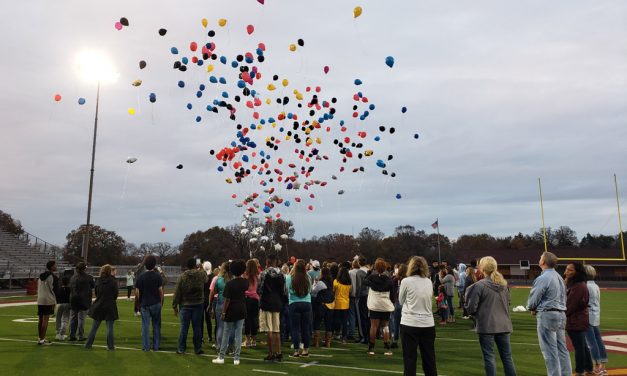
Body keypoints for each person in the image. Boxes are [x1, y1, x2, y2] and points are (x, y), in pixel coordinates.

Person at [465, 256, 517, 376]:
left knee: (489, 357)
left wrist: (476, 314)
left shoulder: (479, 286)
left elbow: (471, 307)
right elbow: (508, 302)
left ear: (482, 268)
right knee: (507, 357)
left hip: (487, 325)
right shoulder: (504, 285)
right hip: (503, 325)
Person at [526, 251, 572, 376]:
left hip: (548, 315)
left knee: (549, 351)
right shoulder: (559, 278)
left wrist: (531, 307)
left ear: (543, 262)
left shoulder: (543, 278)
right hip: (561, 314)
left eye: (540, 258)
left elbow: (534, 298)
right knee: (562, 349)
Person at [399, 256, 437, 376]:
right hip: (428, 324)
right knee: (429, 358)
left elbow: (400, 301)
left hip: (410, 323)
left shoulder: (406, 281)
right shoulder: (428, 281)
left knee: (410, 359)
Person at [213, 259, 248, 366]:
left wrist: (223, 312)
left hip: (231, 310)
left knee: (226, 333)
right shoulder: (245, 282)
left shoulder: (230, 284)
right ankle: (236, 358)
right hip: (241, 308)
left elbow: (227, 300)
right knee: (238, 335)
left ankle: (221, 356)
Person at [172, 258, 207, 355]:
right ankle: (198, 348)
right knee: (197, 328)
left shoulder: (182, 276)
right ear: (196, 265)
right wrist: (202, 268)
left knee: (184, 328)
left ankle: (181, 349)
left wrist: (174, 305)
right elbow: (206, 278)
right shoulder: (201, 274)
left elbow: (177, 292)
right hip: (198, 303)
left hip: (185, 304)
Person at [564, 263, 594, 376]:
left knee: (579, 347)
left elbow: (571, 305)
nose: (566, 272)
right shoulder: (578, 284)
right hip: (578, 319)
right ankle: (588, 368)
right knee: (582, 346)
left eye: (570, 270)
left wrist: (562, 314)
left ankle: (580, 371)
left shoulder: (579, 286)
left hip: (575, 320)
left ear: (577, 272)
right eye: (566, 269)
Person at [257, 253, 287, 362]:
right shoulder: (282, 274)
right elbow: (284, 291)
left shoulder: (263, 273)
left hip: (266, 302)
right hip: (277, 302)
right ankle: (279, 352)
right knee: (276, 329)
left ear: (268, 262)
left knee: (269, 329)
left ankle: (271, 353)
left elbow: (259, 289)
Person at [364, 258, 396, 356]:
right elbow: (393, 295)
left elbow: (364, 281)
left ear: (376, 268)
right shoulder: (389, 280)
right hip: (385, 304)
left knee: (373, 326)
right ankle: (387, 348)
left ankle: (371, 348)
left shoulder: (372, 278)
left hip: (374, 305)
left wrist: (369, 271)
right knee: (385, 326)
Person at [85, 265, 119, 350]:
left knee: (94, 327)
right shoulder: (113, 281)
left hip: (99, 305)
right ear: (110, 271)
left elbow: (96, 293)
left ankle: (88, 344)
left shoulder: (98, 281)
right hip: (110, 306)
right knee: (110, 327)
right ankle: (110, 346)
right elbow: (115, 294)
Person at [134, 255, 164, 351]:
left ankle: (146, 347)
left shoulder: (141, 277)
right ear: (154, 265)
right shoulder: (158, 276)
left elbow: (137, 293)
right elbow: (161, 292)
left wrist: (139, 303)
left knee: (145, 326)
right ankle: (156, 346)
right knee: (156, 325)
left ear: (145, 265)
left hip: (145, 304)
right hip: (156, 303)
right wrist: (161, 302)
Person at [583, 265, 608, 375]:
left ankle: (596, 366)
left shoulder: (586, 286)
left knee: (591, 342)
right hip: (595, 315)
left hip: (588, 316)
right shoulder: (595, 285)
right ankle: (602, 365)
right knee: (598, 340)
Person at [285, 259, 312, 358]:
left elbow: (287, 290)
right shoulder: (308, 277)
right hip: (307, 303)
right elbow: (310, 290)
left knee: (295, 328)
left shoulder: (289, 277)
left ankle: (296, 351)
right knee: (305, 328)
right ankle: (306, 350)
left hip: (294, 303)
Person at [69, 262, 94, 341]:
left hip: (73, 299)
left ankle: (72, 335)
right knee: (81, 319)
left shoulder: (72, 277)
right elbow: (93, 286)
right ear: (85, 268)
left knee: (73, 318)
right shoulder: (89, 277)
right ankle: (80, 335)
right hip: (84, 300)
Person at [312, 267, 335, 348]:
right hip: (331, 304)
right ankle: (328, 343)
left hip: (321, 304)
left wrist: (315, 283)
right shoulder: (332, 281)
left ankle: (316, 343)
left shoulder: (321, 282)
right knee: (328, 324)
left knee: (317, 322)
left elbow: (313, 291)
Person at [37, 260, 58, 345]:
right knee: (45, 320)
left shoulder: (41, 276)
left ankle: (40, 338)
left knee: (40, 319)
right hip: (48, 299)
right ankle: (42, 340)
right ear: (52, 267)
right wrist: (54, 301)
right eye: (55, 265)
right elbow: (54, 290)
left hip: (40, 299)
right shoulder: (52, 276)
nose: (56, 267)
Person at [332, 265, 352, 343]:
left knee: (336, 320)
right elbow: (350, 292)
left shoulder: (336, 281)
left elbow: (333, 291)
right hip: (346, 303)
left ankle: (335, 334)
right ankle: (344, 337)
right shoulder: (349, 283)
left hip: (337, 303)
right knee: (344, 321)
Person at [244, 259, 260, 347]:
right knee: (254, 319)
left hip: (246, 299)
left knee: (247, 320)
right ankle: (254, 340)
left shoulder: (245, 275)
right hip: (255, 299)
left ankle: (248, 340)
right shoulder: (257, 276)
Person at [390, 263, 407, 348]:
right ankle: (405, 341)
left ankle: (395, 340)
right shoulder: (408, 280)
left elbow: (392, 292)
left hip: (397, 302)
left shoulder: (395, 279)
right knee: (405, 323)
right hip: (406, 304)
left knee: (396, 323)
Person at [356, 257, 370, 344]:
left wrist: (357, 295)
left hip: (362, 295)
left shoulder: (359, 272)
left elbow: (358, 286)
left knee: (361, 317)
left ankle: (363, 336)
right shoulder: (369, 271)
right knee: (367, 317)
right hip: (370, 295)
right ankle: (367, 336)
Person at [348, 259, 362, 341]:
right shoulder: (362, 272)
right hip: (361, 295)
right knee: (360, 316)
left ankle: (351, 332)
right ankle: (361, 333)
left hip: (352, 295)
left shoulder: (350, 272)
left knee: (352, 315)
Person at [55, 275, 71, 341]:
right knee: (65, 320)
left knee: (58, 319)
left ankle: (58, 333)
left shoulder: (59, 289)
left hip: (59, 305)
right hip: (67, 304)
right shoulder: (70, 289)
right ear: (69, 282)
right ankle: (61, 334)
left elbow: (56, 297)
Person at [202, 261, 213, 344]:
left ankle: (201, 336)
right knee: (208, 319)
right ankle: (209, 336)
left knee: (201, 320)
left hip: (202, 299)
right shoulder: (213, 276)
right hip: (209, 299)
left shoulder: (201, 276)